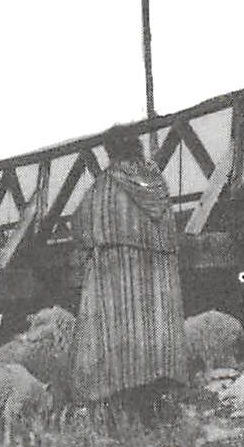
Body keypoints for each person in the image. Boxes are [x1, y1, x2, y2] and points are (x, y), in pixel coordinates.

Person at [70, 125, 189, 419]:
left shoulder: (105, 186)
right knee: (155, 333)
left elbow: (80, 225)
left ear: (110, 151)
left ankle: (122, 409)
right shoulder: (156, 183)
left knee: (118, 337)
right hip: (157, 274)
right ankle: (161, 402)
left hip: (117, 277)